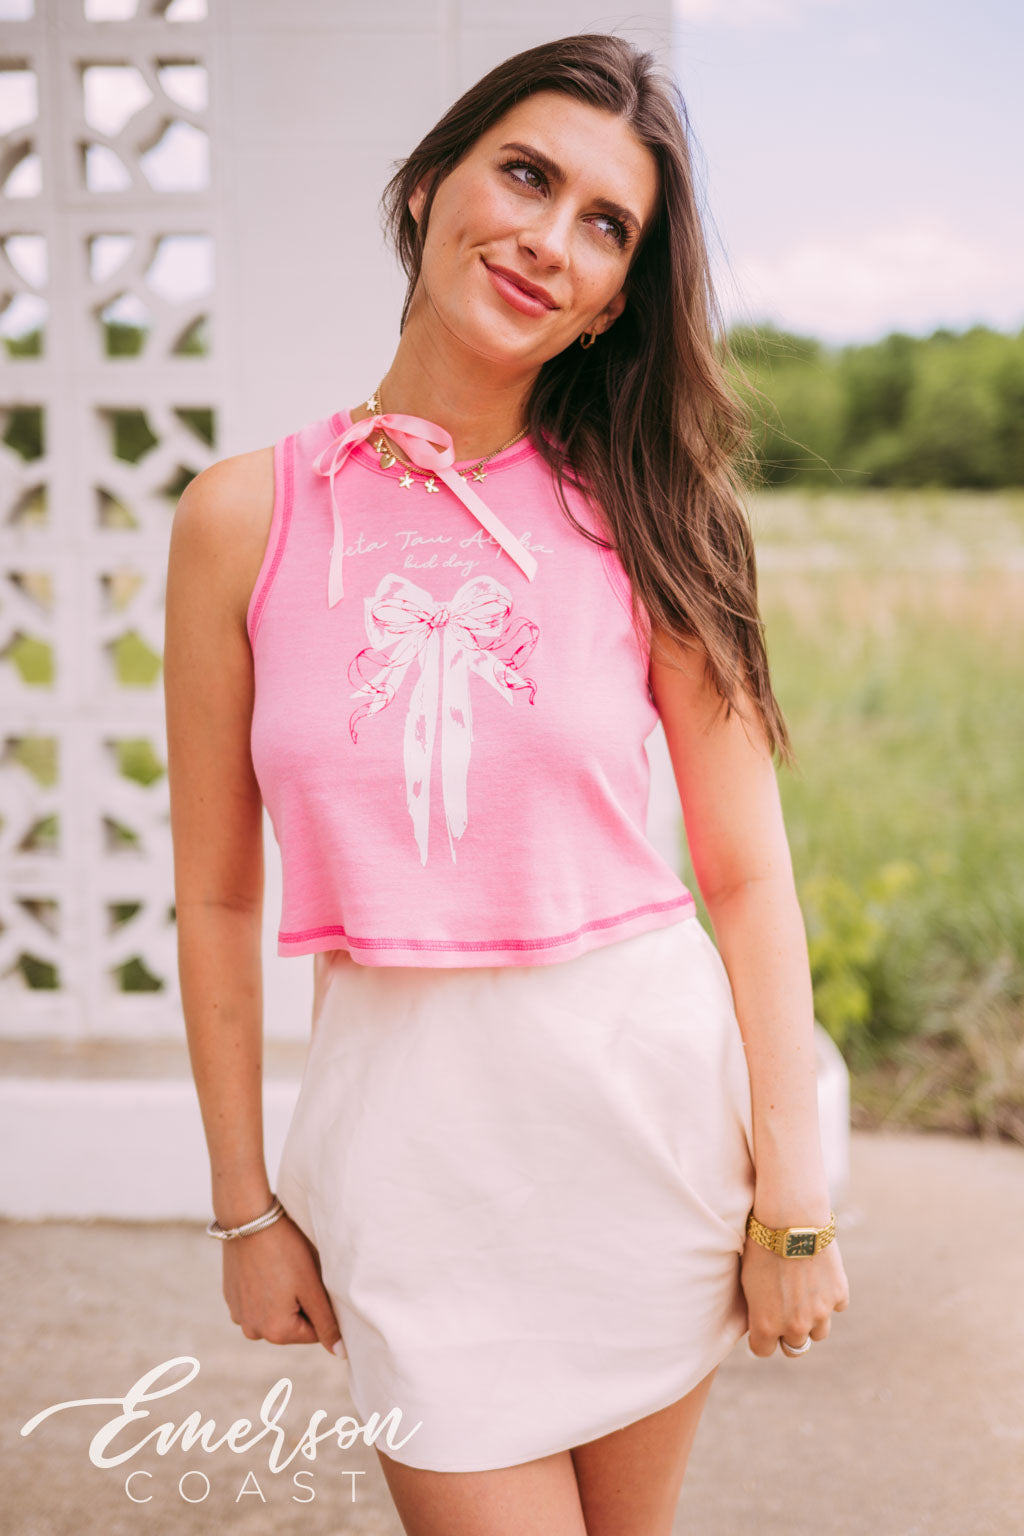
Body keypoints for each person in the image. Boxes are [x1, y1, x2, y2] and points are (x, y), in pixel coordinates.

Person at [163, 30, 850, 1536]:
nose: (551, 239)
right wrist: (243, 1205)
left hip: (646, 1137)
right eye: (526, 177)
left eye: (607, 226)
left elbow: (747, 876)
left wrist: (794, 1205)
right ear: (429, 187)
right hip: (406, 1168)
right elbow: (214, 894)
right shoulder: (240, 519)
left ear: (615, 301)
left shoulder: (654, 517)